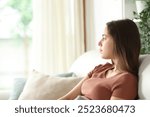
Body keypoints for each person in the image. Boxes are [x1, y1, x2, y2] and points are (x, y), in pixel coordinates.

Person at [59, 19, 141, 100]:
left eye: (104, 38)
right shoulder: (100, 68)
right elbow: (68, 98)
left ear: (120, 41)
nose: (99, 43)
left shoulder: (127, 81)